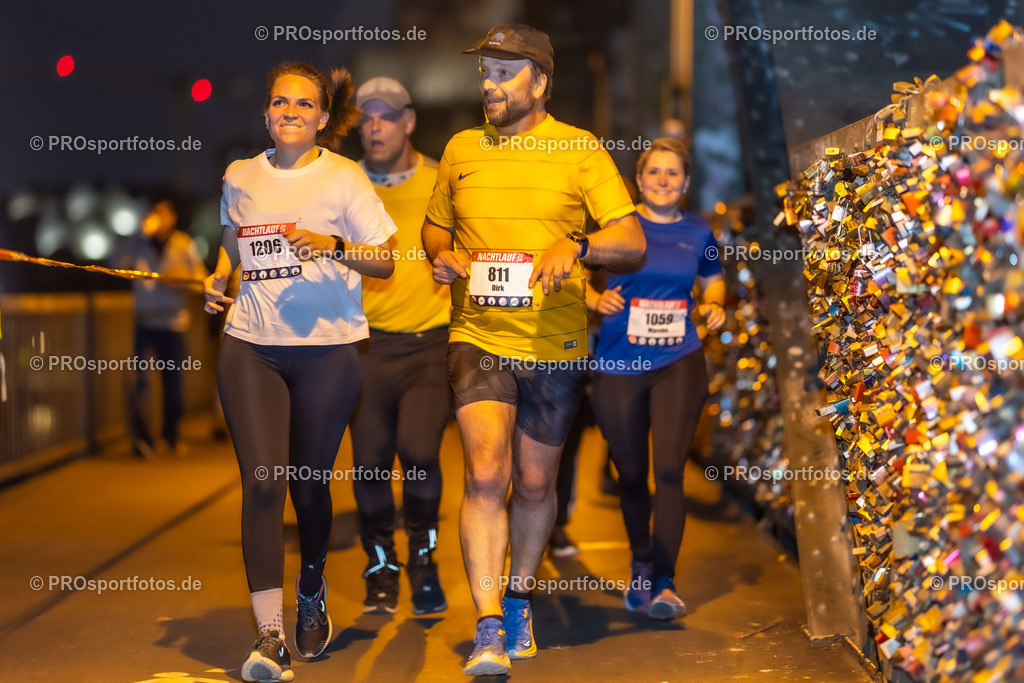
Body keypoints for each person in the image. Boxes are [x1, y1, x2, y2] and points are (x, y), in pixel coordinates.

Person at [422, 24, 646, 676]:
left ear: (539, 83)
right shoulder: (462, 148)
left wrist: (576, 247)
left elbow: (631, 240)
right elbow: (435, 229)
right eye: (485, 72)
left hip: (555, 342)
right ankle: (488, 624)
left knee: (536, 482)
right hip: (479, 337)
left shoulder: (579, 151)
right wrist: (442, 257)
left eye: (503, 73)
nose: (488, 84)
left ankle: (518, 591)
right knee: (485, 474)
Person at [203, 62, 395, 683]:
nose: (289, 112)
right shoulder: (239, 174)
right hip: (250, 345)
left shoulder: (344, 178)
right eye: (279, 102)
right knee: (263, 481)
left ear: (321, 117)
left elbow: (387, 262)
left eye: (303, 104)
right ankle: (269, 636)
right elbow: (232, 244)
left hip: (328, 352)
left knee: (308, 489)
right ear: (266, 113)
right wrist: (218, 278)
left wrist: (332, 245)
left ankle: (312, 585)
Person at [589, 137, 725, 620]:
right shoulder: (618, 231)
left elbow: (712, 276)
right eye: (654, 172)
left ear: (685, 183)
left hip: (678, 361)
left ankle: (664, 582)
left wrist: (713, 304)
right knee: (630, 475)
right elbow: (573, 269)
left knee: (668, 470)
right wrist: (591, 299)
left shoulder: (697, 230)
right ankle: (641, 563)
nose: (663, 180)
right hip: (619, 365)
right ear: (639, 180)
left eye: (673, 174)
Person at [348, 76, 451, 615]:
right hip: (364, 349)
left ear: (409, 121)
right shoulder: (343, 185)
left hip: (430, 345)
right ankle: (381, 568)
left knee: (417, 452)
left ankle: (424, 560)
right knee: (367, 466)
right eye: (366, 118)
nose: (374, 127)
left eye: (386, 116)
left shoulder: (442, 181)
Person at [118, 199, 207, 459]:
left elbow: (200, 277)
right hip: (144, 322)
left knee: (173, 383)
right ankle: (144, 439)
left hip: (173, 323)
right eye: (154, 213)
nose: (158, 218)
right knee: (140, 382)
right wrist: (137, 236)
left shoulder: (183, 244)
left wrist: (183, 283)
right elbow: (116, 262)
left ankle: (171, 433)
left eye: (162, 213)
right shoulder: (139, 244)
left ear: (172, 217)